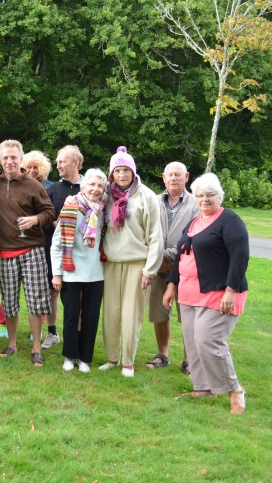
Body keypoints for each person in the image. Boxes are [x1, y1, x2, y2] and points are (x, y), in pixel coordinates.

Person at [162, 173, 249, 415]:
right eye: (200, 195)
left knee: (208, 340)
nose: (204, 200)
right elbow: (181, 255)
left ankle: (235, 390)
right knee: (192, 342)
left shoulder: (230, 221)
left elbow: (240, 256)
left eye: (209, 195)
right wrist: (171, 285)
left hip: (219, 292)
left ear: (219, 195)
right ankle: (203, 388)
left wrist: (231, 289)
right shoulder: (195, 222)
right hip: (189, 293)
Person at [0, 140, 55, 367]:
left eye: (13, 157)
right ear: (0, 159)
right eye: (5, 157)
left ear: (21, 158)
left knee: (36, 301)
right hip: (5, 250)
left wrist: (36, 219)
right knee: (9, 302)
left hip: (32, 250)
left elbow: (49, 211)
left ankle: (36, 347)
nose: (9, 161)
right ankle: (12, 343)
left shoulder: (33, 185)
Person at [99, 146, 163, 377]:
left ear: (133, 172)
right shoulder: (106, 195)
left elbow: (156, 236)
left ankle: (128, 361)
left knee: (131, 313)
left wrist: (150, 270)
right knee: (111, 313)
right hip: (111, 262)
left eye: (126, 170)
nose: (122, 175)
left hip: (138, 263)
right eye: (118, 171)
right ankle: (113, 358)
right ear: (112, 174)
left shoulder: (147, 196)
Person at [50, 168, 107, 372]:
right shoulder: (71, 207)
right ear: (83, 186)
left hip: (96, 272)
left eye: (100, 185)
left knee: (91, 316)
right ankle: (70, 355)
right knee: (72, 315)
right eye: (92, 184)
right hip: (71, 270)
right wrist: (57, 273)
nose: (96, 189)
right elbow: (56, 244)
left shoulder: (104, 210)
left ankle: (85, 358)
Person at [147, 162, 198, 373]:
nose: (174, 178)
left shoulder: (196, 203)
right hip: (158, 268)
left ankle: (189, 360)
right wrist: (157, 257)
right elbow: (146, 231)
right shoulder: (154, 201)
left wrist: (169, 255)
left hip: (186, 268)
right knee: (159, 312)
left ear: (186, 177)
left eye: (178, 175)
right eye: (170, 175)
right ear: (163, 177)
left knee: (188, 316)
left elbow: (196, 234)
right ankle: (163, 354)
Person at [41, 145, 85, 348]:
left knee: (78, 295)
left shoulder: (88, 188)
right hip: (55, 249)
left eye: (62, 161)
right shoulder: (53, 189)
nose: (58, 165)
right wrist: (54, 223)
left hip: (82, 252)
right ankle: (52, 332)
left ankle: (76, 334)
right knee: (53, 290)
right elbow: (45, 214)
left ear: (75, 163)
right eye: (57, 162)